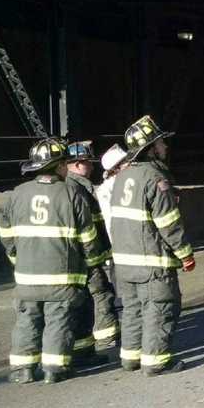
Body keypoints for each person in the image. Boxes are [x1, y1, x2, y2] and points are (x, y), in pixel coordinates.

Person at [0, 137, 109, 384]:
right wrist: (94, 262)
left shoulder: (17, 194)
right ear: (59, 166)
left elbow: (6, 234)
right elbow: (88, 237)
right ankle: (54, 369)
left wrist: (16, 258)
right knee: (58, 320)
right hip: (62, 275)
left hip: (26, 276)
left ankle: (23, 370)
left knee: (27, 320)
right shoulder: (71, 193)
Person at [110, 116, 195, 376]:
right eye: (160, 143)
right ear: (150, 148)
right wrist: (185, 254)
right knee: (159, 308)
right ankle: (156, 362)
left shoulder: (122, 177)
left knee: (133, 309)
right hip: (151, 262)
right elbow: (168, 223)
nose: (165, 147)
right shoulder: (155, 178)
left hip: (124, 262)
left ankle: (130, 358)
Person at [64, 140, 118, 364]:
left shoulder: (75, 186)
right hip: (86, 257)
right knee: (99, 293)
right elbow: (87, 228)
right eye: (88, 162)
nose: (92, 166)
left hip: (79, 256)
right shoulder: (76, 188)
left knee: (87, 299)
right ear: (76, 164)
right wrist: (97, 257)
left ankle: (87, 346)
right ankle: (107, 339)